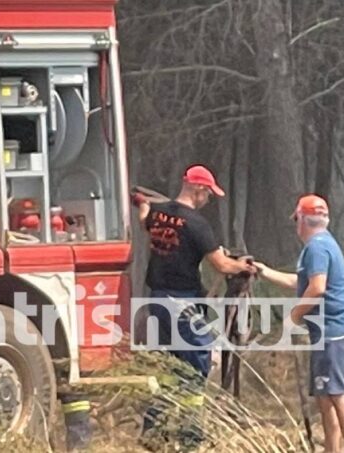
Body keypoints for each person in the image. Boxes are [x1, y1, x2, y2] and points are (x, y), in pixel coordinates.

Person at [134, 164, 255, 449]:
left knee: (171, 365)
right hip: (182, 302)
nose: (208, 199)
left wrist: (141, 203)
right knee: (198, 361)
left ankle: (153, 431)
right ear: (198, 189)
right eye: (208, 194)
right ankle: (191, 435)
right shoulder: (197, 224)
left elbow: (143, 221)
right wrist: (243, 265)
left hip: (158, 299)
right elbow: (222, 265)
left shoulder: (159, 212)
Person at [255, 194, 344, 453]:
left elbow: (316, 289)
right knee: (325, 395)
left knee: (338, 393)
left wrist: (293, 318)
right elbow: (299, 283)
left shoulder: (316, 248)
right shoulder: (323, 245)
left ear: (303, 220)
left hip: (332, 332)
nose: (296, 227)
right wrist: (263, 271)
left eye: (297, 220)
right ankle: (332, 449)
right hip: (329, 331)